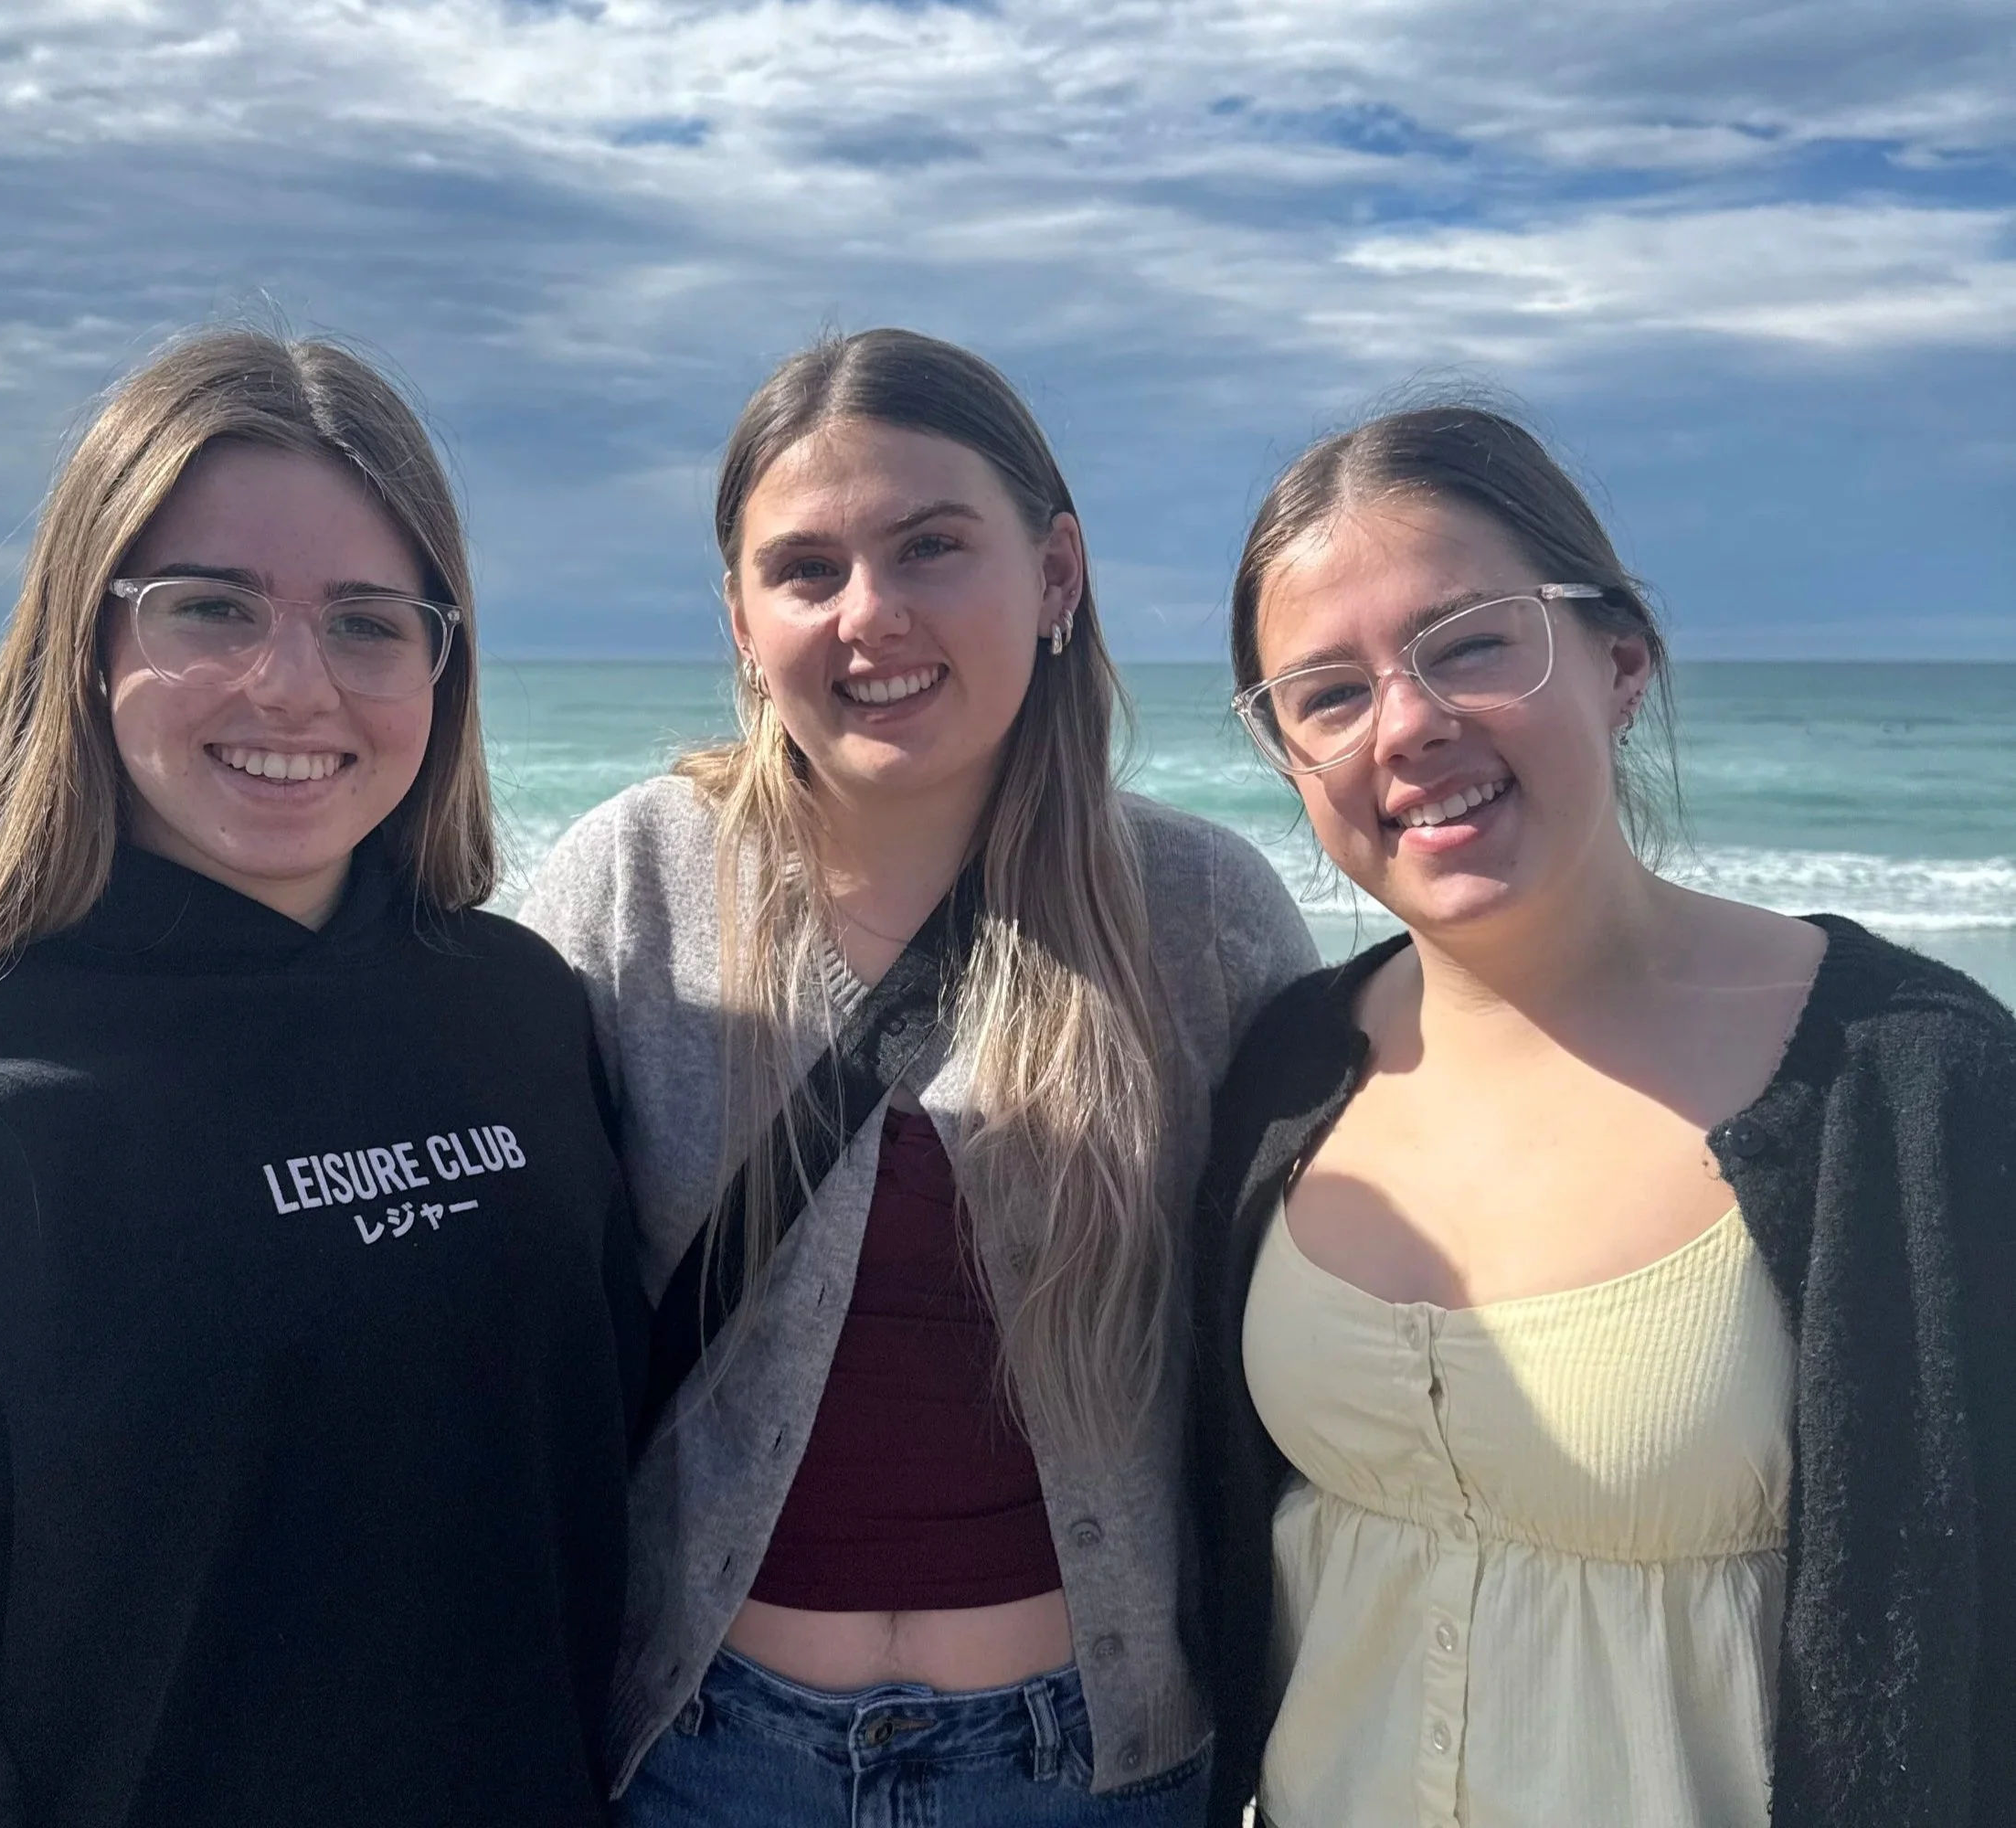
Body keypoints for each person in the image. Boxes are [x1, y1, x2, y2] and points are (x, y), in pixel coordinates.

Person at [0, 329, 644, 1825]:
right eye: (209, 607)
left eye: (368, 622)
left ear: (443, 661)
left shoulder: (520, 1014)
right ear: (87, 642)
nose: (292, 685)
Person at [523, 328, 1315, 1825]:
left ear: (1058, 575)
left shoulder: (1199, 915)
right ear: (744, 624)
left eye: (932, 546)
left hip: (1097, 1761)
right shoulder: (635, 882)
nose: (869, 615)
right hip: (702, 1755)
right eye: (805, 569)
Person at [1188, 403, 2016, 1828]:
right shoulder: (1284, 1072)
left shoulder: (1919, 1083)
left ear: (1620, 659)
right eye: (1327, 694)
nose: (1408, 723)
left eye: (1471, 643)